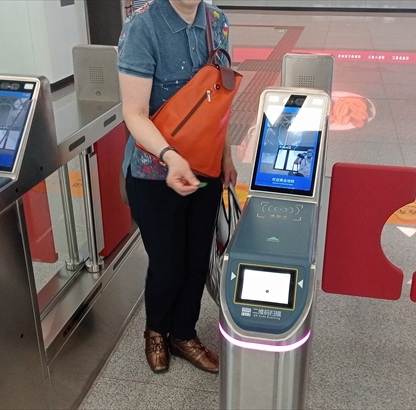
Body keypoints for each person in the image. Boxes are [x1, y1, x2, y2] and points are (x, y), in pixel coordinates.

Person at [117, 0, 236, 374]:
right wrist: (170, 157)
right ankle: (156, 331)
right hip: (154, 172)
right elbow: (134, 113)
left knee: (196, 259)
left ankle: (184, 334)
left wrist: (226, 155)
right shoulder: (142, 27)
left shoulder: (217, 21)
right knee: (168, 264)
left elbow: (218, 102)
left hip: (206, 168)